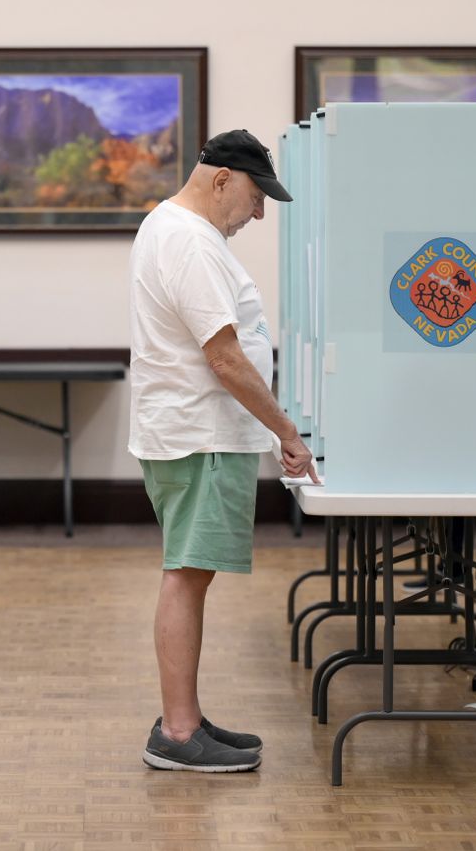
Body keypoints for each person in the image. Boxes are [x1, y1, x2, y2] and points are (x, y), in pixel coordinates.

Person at [128, 129, 318, 772]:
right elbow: (226, 358)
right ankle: (179, 734)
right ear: (219, 179)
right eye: (256, 195)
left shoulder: (182, 232)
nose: (260, 212)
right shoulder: (187, 239)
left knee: (191, 573)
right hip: (198, 432)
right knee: (186, 574)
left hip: (198, 431)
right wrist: (286, 431)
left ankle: (186, 717)